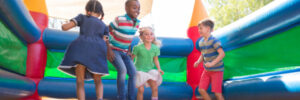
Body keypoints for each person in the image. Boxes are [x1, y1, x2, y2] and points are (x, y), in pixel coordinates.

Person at [58, 1, 109, 100]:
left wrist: (64, 24)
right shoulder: (104, 26)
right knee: (98, 80)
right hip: (97, 51)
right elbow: (104, 41)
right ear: (99, 13)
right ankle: (100, 98)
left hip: (80, 50)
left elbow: (65, 27)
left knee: (80, 81)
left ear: (87, 11)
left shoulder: (82, 17)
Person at [106, 0, 140, 100]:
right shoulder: (119, 19)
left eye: (138, 9)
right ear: (126, 8)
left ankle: (131, 98)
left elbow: (128, 37)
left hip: (125, 52)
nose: (137, 10)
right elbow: (105, 32)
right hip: (114, 50)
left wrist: (129, 50)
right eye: (134, 8)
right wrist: (108, 50)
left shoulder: (137, 23)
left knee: (133, 73)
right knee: (122, 70)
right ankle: (121, 97)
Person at [194, 19, 225, 100]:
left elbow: (222, 54)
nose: (199, 30)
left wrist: (212, 63)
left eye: (201, 28)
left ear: (208, 29)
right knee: (201, 90)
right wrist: (198, 61)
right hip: (207, 71)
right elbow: (202, 54)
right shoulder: (201, 42)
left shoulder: (214, 41)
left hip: (217, 70)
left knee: (217, 94)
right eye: (199, 28)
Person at [131, 27, 164, 100]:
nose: (149, 36)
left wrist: (159, 68)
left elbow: (156, 60)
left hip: (149, 71)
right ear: (141, 37)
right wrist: (130, 69)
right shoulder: (137, 48)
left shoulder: (155, 48)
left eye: (151, 34)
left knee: (155, 88)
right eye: (146, 34)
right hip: (139, 71)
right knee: (141, 90)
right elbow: (131, 59)